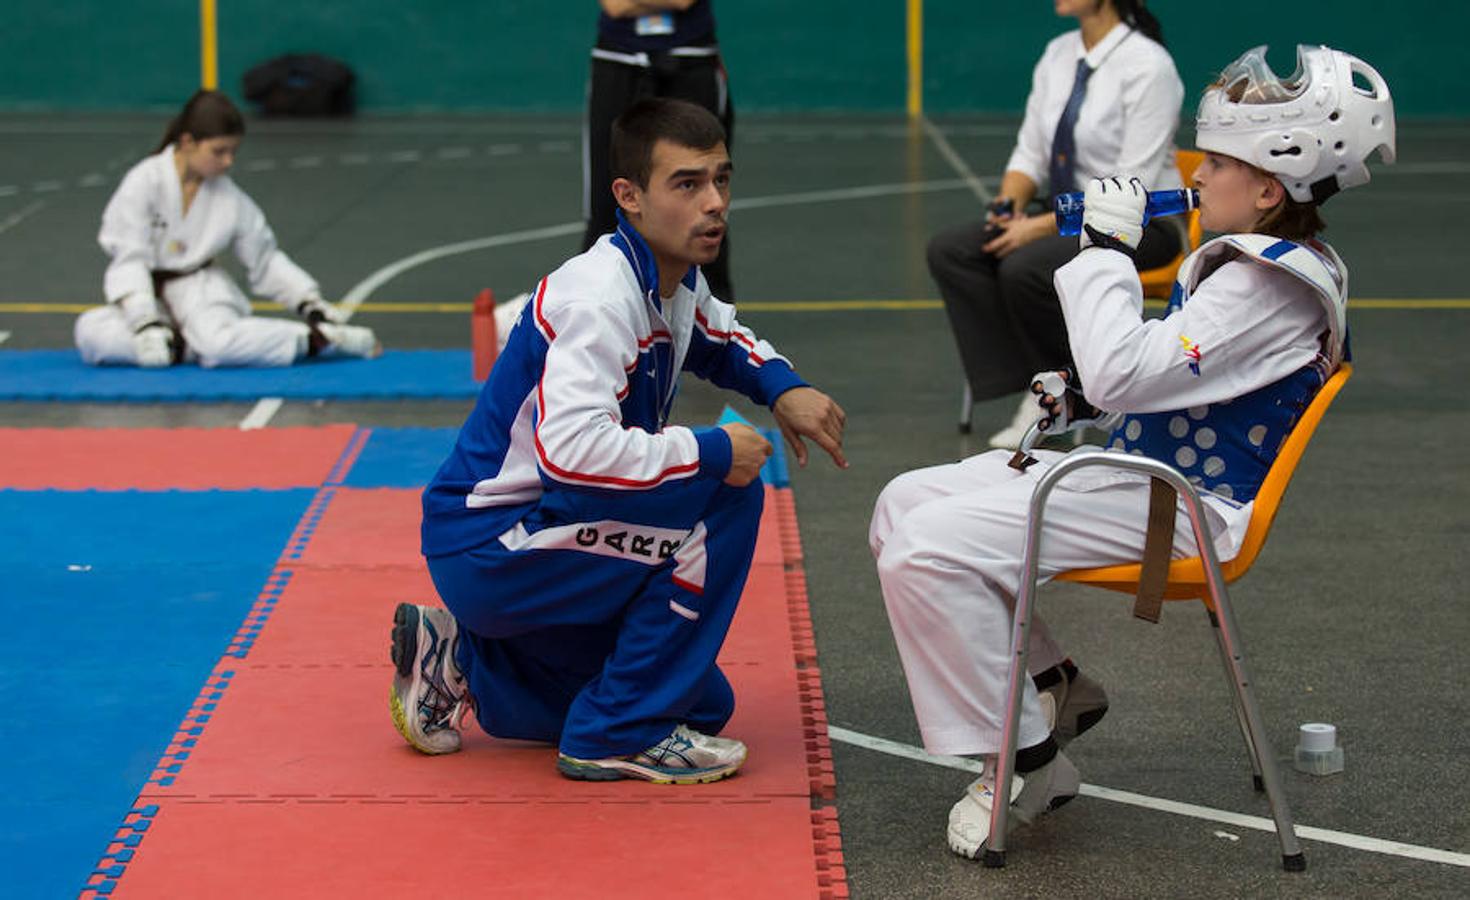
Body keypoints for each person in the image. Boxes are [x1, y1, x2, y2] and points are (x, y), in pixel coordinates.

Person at [872, 45, 1394, 858]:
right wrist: (1078, 397)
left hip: (1184, 510)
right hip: (1148, 480)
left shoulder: (1267, 285)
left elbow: (1122, 373)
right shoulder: (1261, 265)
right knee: (903, 500)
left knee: (923, 552)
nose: (1199, 171)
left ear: (1268, 187)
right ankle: (1057, 688)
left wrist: (1107, 254)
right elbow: (1166, 373)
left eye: (1217, 161)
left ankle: (1030, 760)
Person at [393, 98, 847, 784]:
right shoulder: (601, 298)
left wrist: (783, 386)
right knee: (725, 497)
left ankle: (464, 662)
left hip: (550, 536)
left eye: (722, 179)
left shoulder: (666, 278)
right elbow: (570, 452)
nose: (715, 203)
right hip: (495, 544)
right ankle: (612, 736)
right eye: (688, 184)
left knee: (703, 701)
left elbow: (722, 338)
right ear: (628, 196)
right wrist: (711, 452)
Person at [928, 0, 1182, 448]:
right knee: (954, 251)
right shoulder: (1058, 53)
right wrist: (1008, 207)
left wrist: (1038, 227)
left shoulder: (1149, 66)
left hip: (1136, 224)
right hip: (1069, 211)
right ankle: (1038, 381)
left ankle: (1061, 389)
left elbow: (1131, 185)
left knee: (1025, 267)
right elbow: (1030, 151)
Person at [75, 90, 379, 368]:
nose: (228, 161)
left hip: (201, 292)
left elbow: (264, 258)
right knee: (90, 333)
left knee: (217, 343)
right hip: (147, 296)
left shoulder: (229, 198)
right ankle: (179, 346)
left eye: (233, 151)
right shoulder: (144, 182)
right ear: (188, 142)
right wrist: (144, 321)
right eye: (219, 151)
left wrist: (309, 302)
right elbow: (129, 257)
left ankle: (318, 339)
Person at [583, 0, 737, 300]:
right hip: (617, 58)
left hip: (692, 59)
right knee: (604, 202)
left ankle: (711, 319)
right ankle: (597, 307)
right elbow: (614, 6)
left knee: (704, 202)